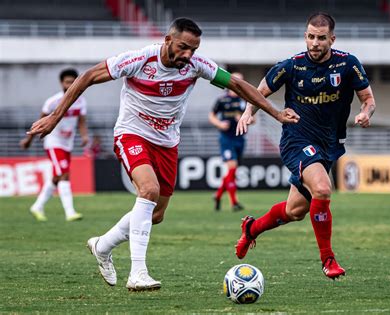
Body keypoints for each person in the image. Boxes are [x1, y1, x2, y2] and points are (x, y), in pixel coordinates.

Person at [27, 18, 299, 291]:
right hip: (132, 134)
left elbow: (240, 87)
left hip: (167, 143)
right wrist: (54, 117)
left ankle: (102, 245)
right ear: (168, 40)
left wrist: (275, 113)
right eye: (183, 47)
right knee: (148, 190)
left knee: (155, 214)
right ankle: (138, 273)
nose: (188, 55)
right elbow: (87, 77)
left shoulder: (197, 65)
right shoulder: (139, 60)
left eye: (193, 49)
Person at [234, 12, 376, 280]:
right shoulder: (292, 66)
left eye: (321, 38)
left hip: (329, 145)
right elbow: (259, 90)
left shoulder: (348, 64)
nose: (315, 43)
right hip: (296, 139)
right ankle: (328, 260)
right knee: (322, 189)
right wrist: (247, 113)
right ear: (305, 36)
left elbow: (368, 99)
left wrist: (366, 113)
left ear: (331, 39)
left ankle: (251, 229)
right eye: (310, 37)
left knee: (294, 211)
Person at [20, 68, 88, 222]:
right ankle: (70, 213)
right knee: (64, 174)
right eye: (67, 82)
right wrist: (28, 141)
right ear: (61, 83)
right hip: (53, 142)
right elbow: (39, 123)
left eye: (72, 82)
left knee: (57, 176)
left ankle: (37, 206)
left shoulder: (81, 102)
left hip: (67, 143)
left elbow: (82, 121)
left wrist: (84, 136)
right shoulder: (52, 102)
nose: (69, 84)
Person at [208, 72, 248, 212]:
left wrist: (245, 119)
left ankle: (218, 195)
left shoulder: (245, 100)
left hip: (240, 138)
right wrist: (219, 124)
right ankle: (234, 202)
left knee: (233, 170)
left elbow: (253, 119)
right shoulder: (222, 100)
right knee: (232, 167)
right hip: (226, 138)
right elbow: (211, 116)